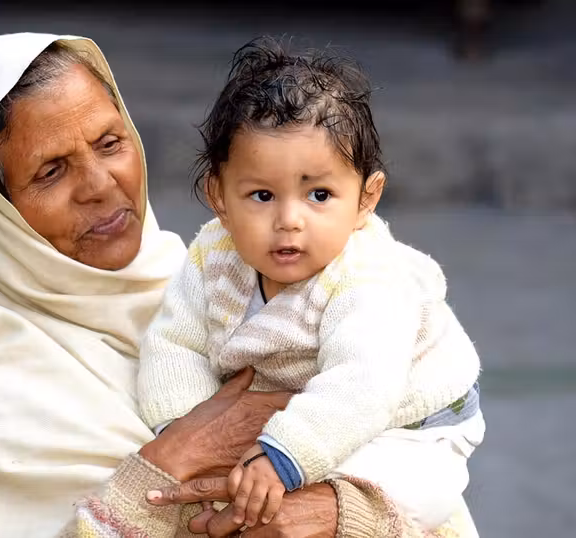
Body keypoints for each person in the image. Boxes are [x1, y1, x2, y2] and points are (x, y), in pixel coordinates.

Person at [0, 32, 483, 538]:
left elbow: (429, 494)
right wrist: (166, 462)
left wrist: (340, 511)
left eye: (110, 143)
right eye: (51, 171)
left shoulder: (204, 277)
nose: (101, 184)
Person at [138, 38, 484, 532]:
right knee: (249, 495)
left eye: (319, 194)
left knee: (378, 502)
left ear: (367, 198)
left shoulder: (369, 277)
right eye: (261, 195)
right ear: (219, 196)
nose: (289, 220)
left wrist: (284, 455)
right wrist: (188, 430)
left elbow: (363, 384)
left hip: (413, 425)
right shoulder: (213, 254)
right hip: (312, 408)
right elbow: (175, 343)